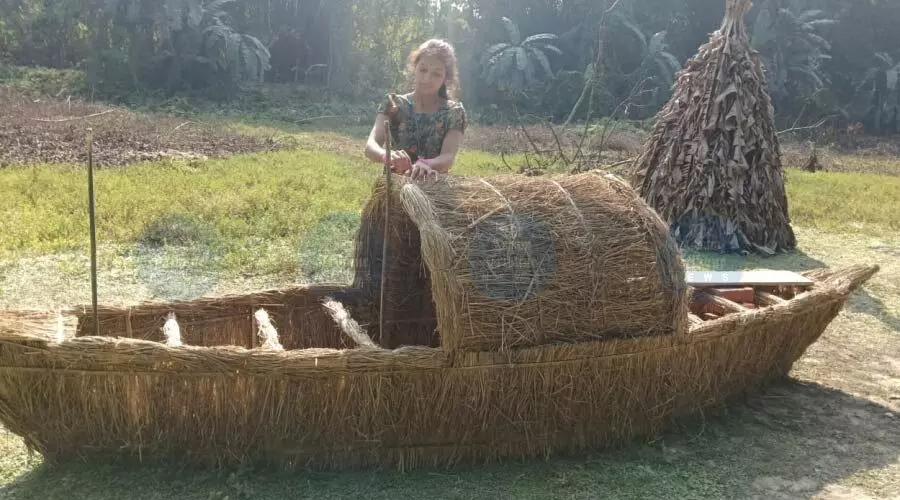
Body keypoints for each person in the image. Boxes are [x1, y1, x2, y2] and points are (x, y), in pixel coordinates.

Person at [364, 39, 468, 183]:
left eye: (436, 74)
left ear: (446, 78)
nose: (427, 78)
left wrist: (425, 164)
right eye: (423, 70)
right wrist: (388, 156)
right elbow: (370, 147)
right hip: (393, 189)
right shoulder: (393, 104)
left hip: (434, 191)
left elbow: (448, 158)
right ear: (414, 69)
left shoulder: (453, 112)